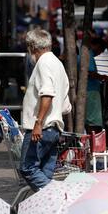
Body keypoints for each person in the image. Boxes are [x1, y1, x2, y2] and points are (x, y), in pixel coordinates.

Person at [20, 29, 72, 192]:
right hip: (54, 129)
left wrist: (38, 122)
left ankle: (57, 196)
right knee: (45, 173)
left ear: (32, 47)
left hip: (42, 129)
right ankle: (48, 209)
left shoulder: (43, 63)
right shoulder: (58, 64)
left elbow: (48, 94)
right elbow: (66, 106)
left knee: (28, 168)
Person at [85, 37, 108, 133]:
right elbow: (90, 73)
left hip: (90, 91)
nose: (100, 53)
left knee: (91, 120)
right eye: (101, 50)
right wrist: (102, 77)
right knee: (93, 122)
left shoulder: (88, 55)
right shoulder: (90, 55)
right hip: (91, 91)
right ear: (97, 46)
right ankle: (94, 141)